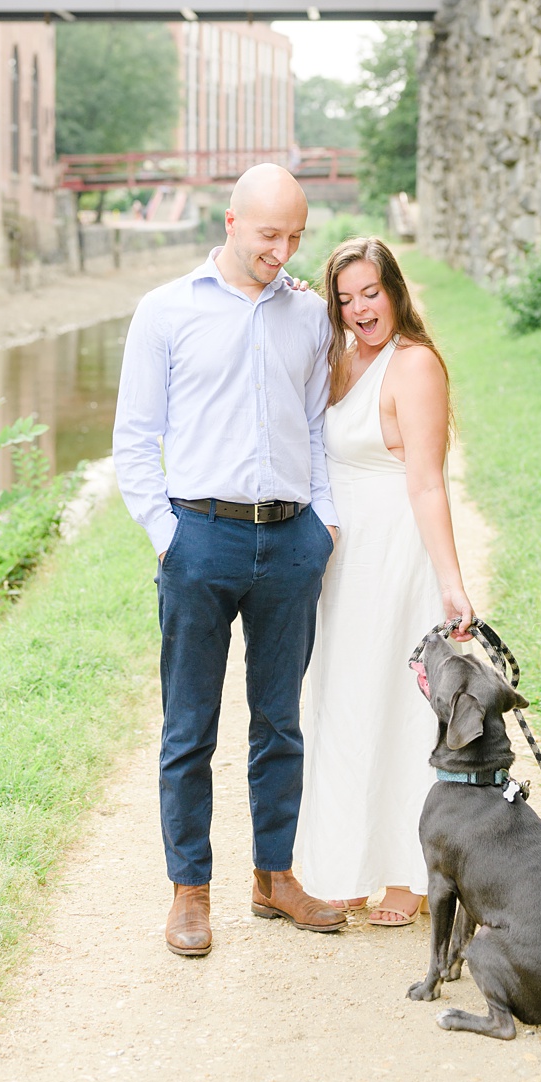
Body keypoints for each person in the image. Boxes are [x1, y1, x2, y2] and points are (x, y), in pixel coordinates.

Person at [110, 164, 346, 959]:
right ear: (231, 222)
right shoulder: (165, 312)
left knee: (280, 723)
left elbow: (315, 427)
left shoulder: (310, 317)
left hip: (289, 540)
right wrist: (165, 533)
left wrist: (325, 522)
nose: (282, 251)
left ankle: (274, 877)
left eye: (295, 237)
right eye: (270, 235)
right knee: (190, 728)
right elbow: (135, 437)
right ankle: (190, 891)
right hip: (198, 538)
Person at [295, 237, 475, 928]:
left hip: (397, 555)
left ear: (395, 290)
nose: (359, 308)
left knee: (398, 709)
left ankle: (405, 875)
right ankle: (347, 864)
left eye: (371, 292)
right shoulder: (340, 359)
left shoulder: (414, 365)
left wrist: (451, 581)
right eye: (346, 298)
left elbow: (427, 482)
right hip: (344, 562)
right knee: (342, 701)